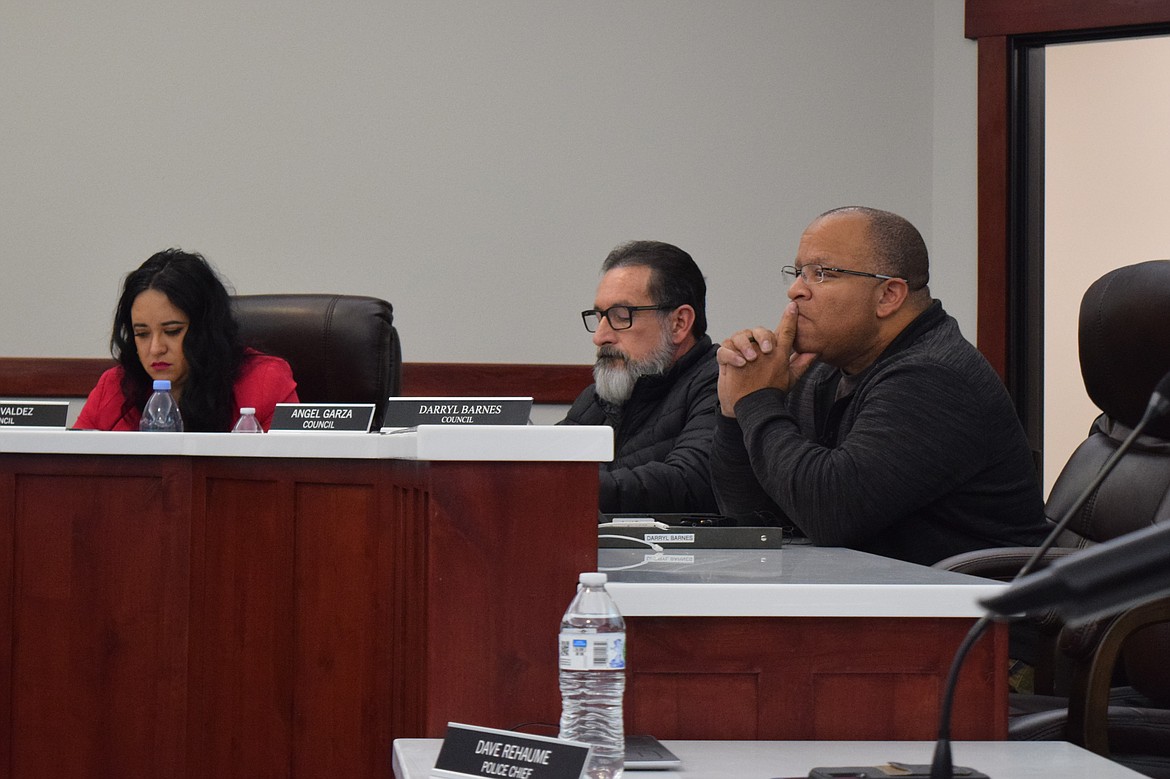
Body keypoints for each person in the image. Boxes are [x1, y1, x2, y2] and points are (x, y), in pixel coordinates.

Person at [711, 206, 1048, 565]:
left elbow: (831, 511)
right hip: (886, 598)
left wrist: (759, 400)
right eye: (797, 273)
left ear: (889, 295)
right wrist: (735, 412)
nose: (795, 290)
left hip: (967, 608)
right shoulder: (824, 372)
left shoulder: (933, 377)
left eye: (821, 274)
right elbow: (752, 516)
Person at [560, 240, 719, 514]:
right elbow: (549, 463)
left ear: (679, 323)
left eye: (621, 316)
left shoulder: (719, 383)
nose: (600, 337)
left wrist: (569, 489)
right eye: (599, 317)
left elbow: (688, 482)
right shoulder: (600, 397)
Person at [75, 249, 298, 432]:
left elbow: (288, 474)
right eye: (142, 334)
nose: (156, 349)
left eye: (172, 331)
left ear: (206, 329)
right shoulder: (114, 388)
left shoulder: (264, 382)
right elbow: (72, 476)